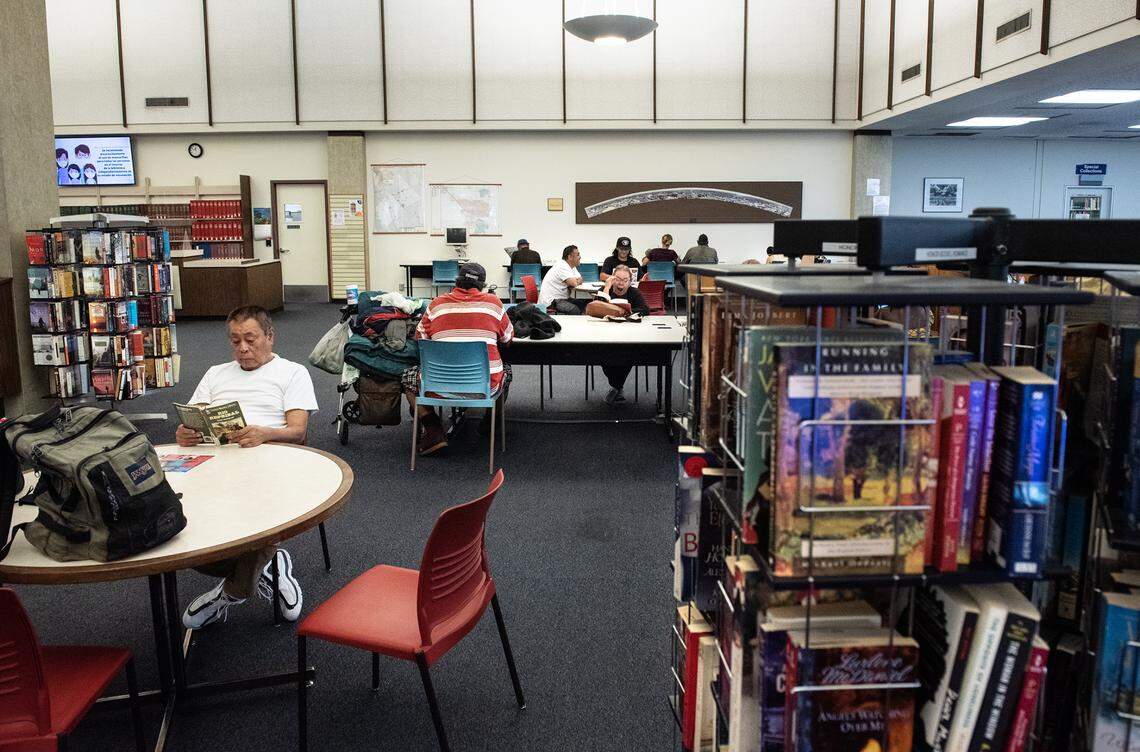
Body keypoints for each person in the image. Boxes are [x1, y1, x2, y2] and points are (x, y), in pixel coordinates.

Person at [176, 305, 318, 629]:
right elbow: (193, 416)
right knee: (181, 517)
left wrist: (264, 433)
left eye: (251, 339)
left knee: (258, 522)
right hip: (216, 462)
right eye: (235, 341)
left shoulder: (292, 372)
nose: (242, 349)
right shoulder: (215, 373)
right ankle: (270, 564)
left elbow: (298, 431)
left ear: (270, 337)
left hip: (271, 461)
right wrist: (186, 432)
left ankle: (232, 591)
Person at [403, 262, 514, 455]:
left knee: (407, 378)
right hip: (484, 387)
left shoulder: (436, 304)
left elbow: (420, 337)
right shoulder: (494, 304)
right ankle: (489, 423)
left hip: (438, 385)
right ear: (482, 285)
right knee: (507, 371)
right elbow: (507, 338)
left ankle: (433, 429)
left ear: (457, 281)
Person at [598, 265, 651, 405]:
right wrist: (606, 287)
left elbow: (645, 310)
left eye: (625, 280)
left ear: (630, 281)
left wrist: (625, 312)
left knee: (629, 354)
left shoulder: (634, 292)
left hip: (629, 336)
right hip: (605, 336)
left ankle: (616, 387)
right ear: (612, 279)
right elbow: (596, 308)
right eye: (618, 279)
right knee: (600, 353)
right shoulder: (605, 290)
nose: (621, 283)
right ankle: (617, 386)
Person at [538, 245, 585, 313]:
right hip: (551, 301)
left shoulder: (571, 266)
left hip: (561, 298)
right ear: (570, 257)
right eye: (578, 254)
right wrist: (575, 281)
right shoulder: (562, 266)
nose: (580, 257)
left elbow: (580, 279)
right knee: (574, 310)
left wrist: (575, 281)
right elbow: (574, 283)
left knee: (583, 304)